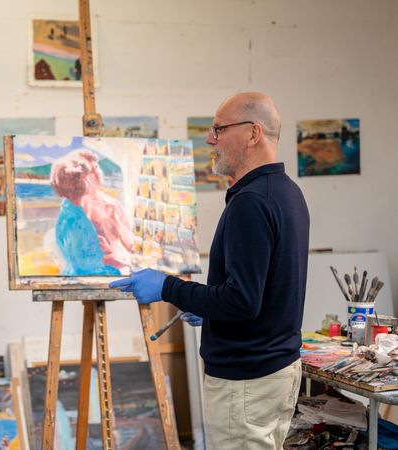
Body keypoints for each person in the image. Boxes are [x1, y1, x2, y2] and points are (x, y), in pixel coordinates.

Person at [110, 92, 310, 450]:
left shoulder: (252, 202)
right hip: (274, 370)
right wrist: (208, 308)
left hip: (247, 380)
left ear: (253, 133)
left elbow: (242, 301)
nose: (209, 139)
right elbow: (260, 293)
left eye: (218, 128)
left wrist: (168, 288)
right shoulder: (285, 192)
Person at [50, 149, 133, 275]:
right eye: (91, 171)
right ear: (79, 179)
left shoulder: (112, 204)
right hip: (89, 274)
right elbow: (81, 261)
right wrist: (111, 255)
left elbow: (131, 245)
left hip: (113, 268)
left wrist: (115, 222)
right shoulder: (72, 212)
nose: (97, 172)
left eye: (97, 167)